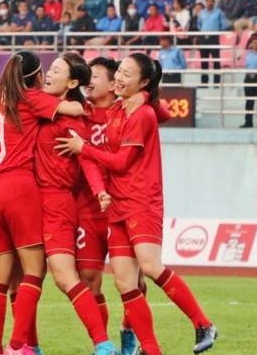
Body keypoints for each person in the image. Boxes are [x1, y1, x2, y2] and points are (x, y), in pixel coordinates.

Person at [56, 53, 218, 355]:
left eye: (126, 74)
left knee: (149, 266)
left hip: (141, 201)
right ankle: (149, 349)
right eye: (120, 72)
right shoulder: (114, 108)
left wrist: (85, 149)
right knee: (124, 282)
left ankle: (202, 322)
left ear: (142, 82)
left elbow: (121, 162)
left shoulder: (140, 111)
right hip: (113, 205)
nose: (119, 78)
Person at [0, 50, 84, 355]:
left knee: (0, 278)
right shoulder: (31, 98)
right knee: (34, 272)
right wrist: (79, 102)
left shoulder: (3, 101)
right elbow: (75, 110)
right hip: (19, 185)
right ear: (37, 77)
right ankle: (17, 346)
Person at [77, 57, 170, 355]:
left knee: (134, 282)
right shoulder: (79, 112)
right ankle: (103, 344)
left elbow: (163, 112)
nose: (88, 81)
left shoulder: (131, 107)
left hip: (124, 203)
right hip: (90, 208)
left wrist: (145, 95)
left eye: (95, 76)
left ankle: (130, 332)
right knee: (90, 280)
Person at [35, 53, 119, 355]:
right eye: (49, 68)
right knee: (25, 277)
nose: (48, 73)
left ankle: (110, 340)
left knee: (70, 278)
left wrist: (99, 191)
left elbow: (86, 159)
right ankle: (25, 345)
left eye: (56, 70)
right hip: (28, 201)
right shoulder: (42, 105)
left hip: (66, 203)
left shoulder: (76, 116)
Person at [198, 0, 229, 85]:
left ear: (214, 2)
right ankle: (204, 82)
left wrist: (217, 31)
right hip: (203, 38)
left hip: (214, 38)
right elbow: (199, 24)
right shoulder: (202, 13)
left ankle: (216, 82)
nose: (209, 3)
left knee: (216, 61)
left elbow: (224, 25)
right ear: (206, 2)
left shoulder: (219, 12)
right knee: (204, 61)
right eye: (208, 1)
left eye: (211, 1)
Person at [240, 36, 257, 128]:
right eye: (253, 43)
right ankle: (248, 122)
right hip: (249, 78)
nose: (254, 44)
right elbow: (246, 65)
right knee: (249, 101)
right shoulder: (248, 54)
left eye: (256, 43)